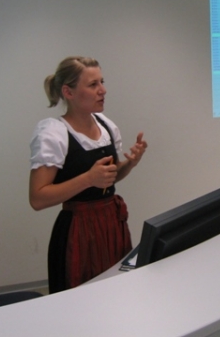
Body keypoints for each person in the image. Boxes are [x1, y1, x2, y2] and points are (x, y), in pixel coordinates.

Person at [29, 56, 147, 293]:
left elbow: (108, 179)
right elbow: (38, 198)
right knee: (82, 297)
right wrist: (88, 179)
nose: (103, 90)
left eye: (102, 82)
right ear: (68, 92)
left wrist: (129, 164)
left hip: (112, 223)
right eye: (93, 85)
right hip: (78, 231)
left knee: (117, 291)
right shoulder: (54, 133)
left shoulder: (106, 126)